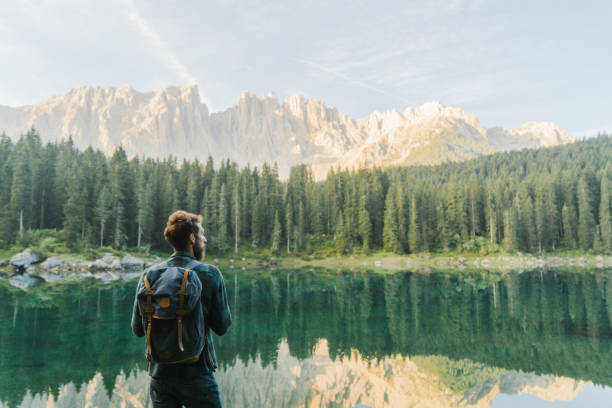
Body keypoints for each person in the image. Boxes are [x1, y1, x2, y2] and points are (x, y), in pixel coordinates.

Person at [131, 210, 232, 408]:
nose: (204, 239)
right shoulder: (209, 274)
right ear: (192, 238)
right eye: (201, 234)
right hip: (197, 376)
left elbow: (137, 329)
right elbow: (222, 326)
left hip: (160, 377)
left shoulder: (149, 275)